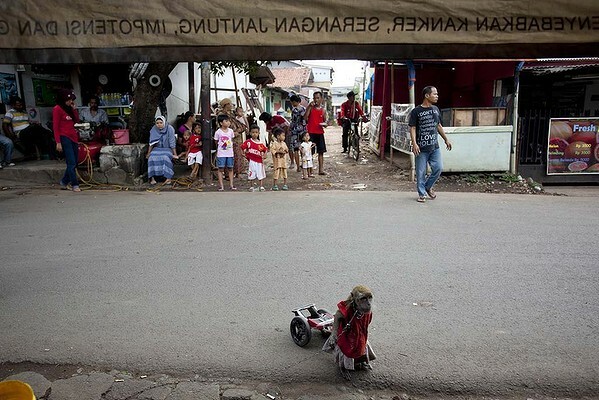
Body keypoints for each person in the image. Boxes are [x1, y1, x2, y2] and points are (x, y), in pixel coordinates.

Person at [408, 86, 453, 203]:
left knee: (438, 168)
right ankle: (422, 193)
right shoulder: (416, 111)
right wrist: (414, 143)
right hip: (421, 148)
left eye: (437, 94)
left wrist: (446, 139)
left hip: (434, 146)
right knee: (421, 172)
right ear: (427, 96)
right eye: (435, 94)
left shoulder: (436, 109)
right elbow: (412, 127)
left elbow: (438, 126)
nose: (437, 96)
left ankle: (427, 186)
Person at [322, 285, 376, 380]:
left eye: (369, 298)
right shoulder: (347, 309)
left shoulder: (368, 310)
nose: (368, 303)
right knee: (347, 350)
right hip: (348, 335)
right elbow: (337, 317)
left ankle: (361, 362)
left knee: (361, 346)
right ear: (354, 298)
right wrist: (333, 334)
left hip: (360, 333)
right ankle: (343, 368)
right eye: (363, 299)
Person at [53, 89, 81, 192]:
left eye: (71, 100)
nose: (70, 102)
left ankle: (64, 181)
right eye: (68, 100)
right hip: (64, 137)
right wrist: (58, 142)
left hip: (73, 136)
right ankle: (75, 184)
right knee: (71, 162)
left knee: (76, 162)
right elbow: (55, 127)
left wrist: (74, 109)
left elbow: (76, 121)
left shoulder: (69, 108)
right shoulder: (57, 109)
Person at [146, 116, 177, 186]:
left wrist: (175, 154)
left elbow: (172, 142)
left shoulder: (170, 129)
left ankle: (168, 177)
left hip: (167, 148)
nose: (159, 124)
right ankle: (152, 178)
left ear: (164, 122)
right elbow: (151, 143)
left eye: (160, 122)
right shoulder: (154, 129)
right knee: (151, 157)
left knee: (165, 157)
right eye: (157, 123)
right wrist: (148, 153)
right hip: (157, 148)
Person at [218, 98, 245, 177]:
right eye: (230, 104)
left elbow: (242, 125)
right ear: (226, 105)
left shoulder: (232, 114)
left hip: (237, 138)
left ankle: (237, 173)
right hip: (228, 139)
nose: (231, 105)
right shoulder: (221, 115)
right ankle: (228, 174)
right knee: (228, 156)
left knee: (238, 155)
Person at [304, 91, 327, 175]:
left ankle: (321, 170)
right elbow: (305, 118)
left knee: (321, 152)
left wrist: (325, 125)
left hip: (320, 132)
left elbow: (324, 121)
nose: (316, 100)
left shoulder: (323, 110)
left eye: (318, 98)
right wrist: (309, 107)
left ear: (321, 99)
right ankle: (310, 170)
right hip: (311, 132)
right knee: (310, 152)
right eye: (314, 98)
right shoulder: (310, 108)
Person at [240, 124, 267, 192]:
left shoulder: (260, 143)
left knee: (260, 173)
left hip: (259, 161)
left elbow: (265, 150)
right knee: (251, 173)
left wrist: (265, 156)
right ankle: (251, 186)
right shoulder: (248, 142)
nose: (254, 134)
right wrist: (243, 153)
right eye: (253, 132)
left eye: (256, 132)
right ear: (250, 133)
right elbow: (242, 147)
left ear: (258, 133)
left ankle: (261, 186)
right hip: (251, 161)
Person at [214, 113, 236, 191]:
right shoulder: (218, 132)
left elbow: (231, 140)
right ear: (221, 123)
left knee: (230, 168)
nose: (228, 122)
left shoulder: (231, 131)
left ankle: (231, 185)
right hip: (221, 154)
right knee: (220, 169)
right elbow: (216, 141)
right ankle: (221, 186)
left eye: (228, 121)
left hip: (230, 153)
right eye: (226, 121)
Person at [289, 95, 305, 172]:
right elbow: (305, 120)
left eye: (292, 102)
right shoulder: (304, 109)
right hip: (302, 131)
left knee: (296, 149)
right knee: (302, 148)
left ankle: (298, 166)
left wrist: (290, 128)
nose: (292, 103)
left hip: (295, 131)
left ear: (295, 101)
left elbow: (293, 121)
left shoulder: (294, 109)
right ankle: (303, 164)